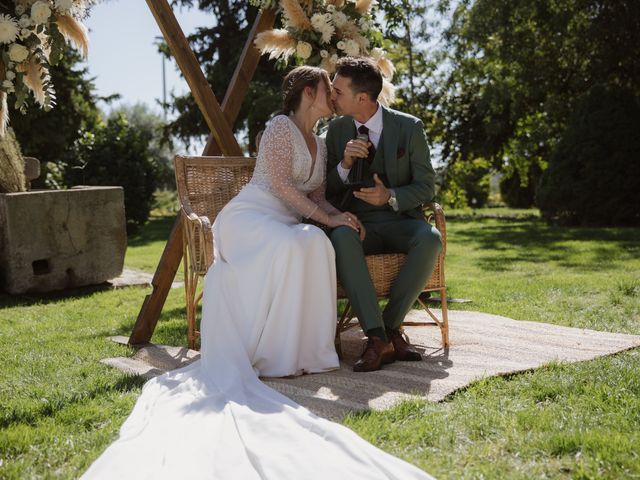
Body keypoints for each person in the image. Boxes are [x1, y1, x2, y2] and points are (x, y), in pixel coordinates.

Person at [81, 66, 434, 479]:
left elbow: (319, 193)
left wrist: (339, 216)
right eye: (328, 88)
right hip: (253, 217)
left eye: (337, 90)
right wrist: (331, 215)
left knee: (314, 242)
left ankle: (305, 351)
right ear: (309, 91)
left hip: (297, 221)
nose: (333, 96)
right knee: (300, 241)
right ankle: (283, 350)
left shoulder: (323, 141)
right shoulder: (280, 128)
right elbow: (284, 187)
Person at [326, 57, 442, 373]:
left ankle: (385, 331)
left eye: (337, 90)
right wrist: (345, 165)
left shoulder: (409, 127)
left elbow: (426, 187)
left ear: (361, 98)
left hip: (400, 221)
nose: (331, 95)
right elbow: (325, 191)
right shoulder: (335, 130)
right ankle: (380, 336)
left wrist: (389, 196)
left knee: (431, 238)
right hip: (356, 223)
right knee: (340, 235)